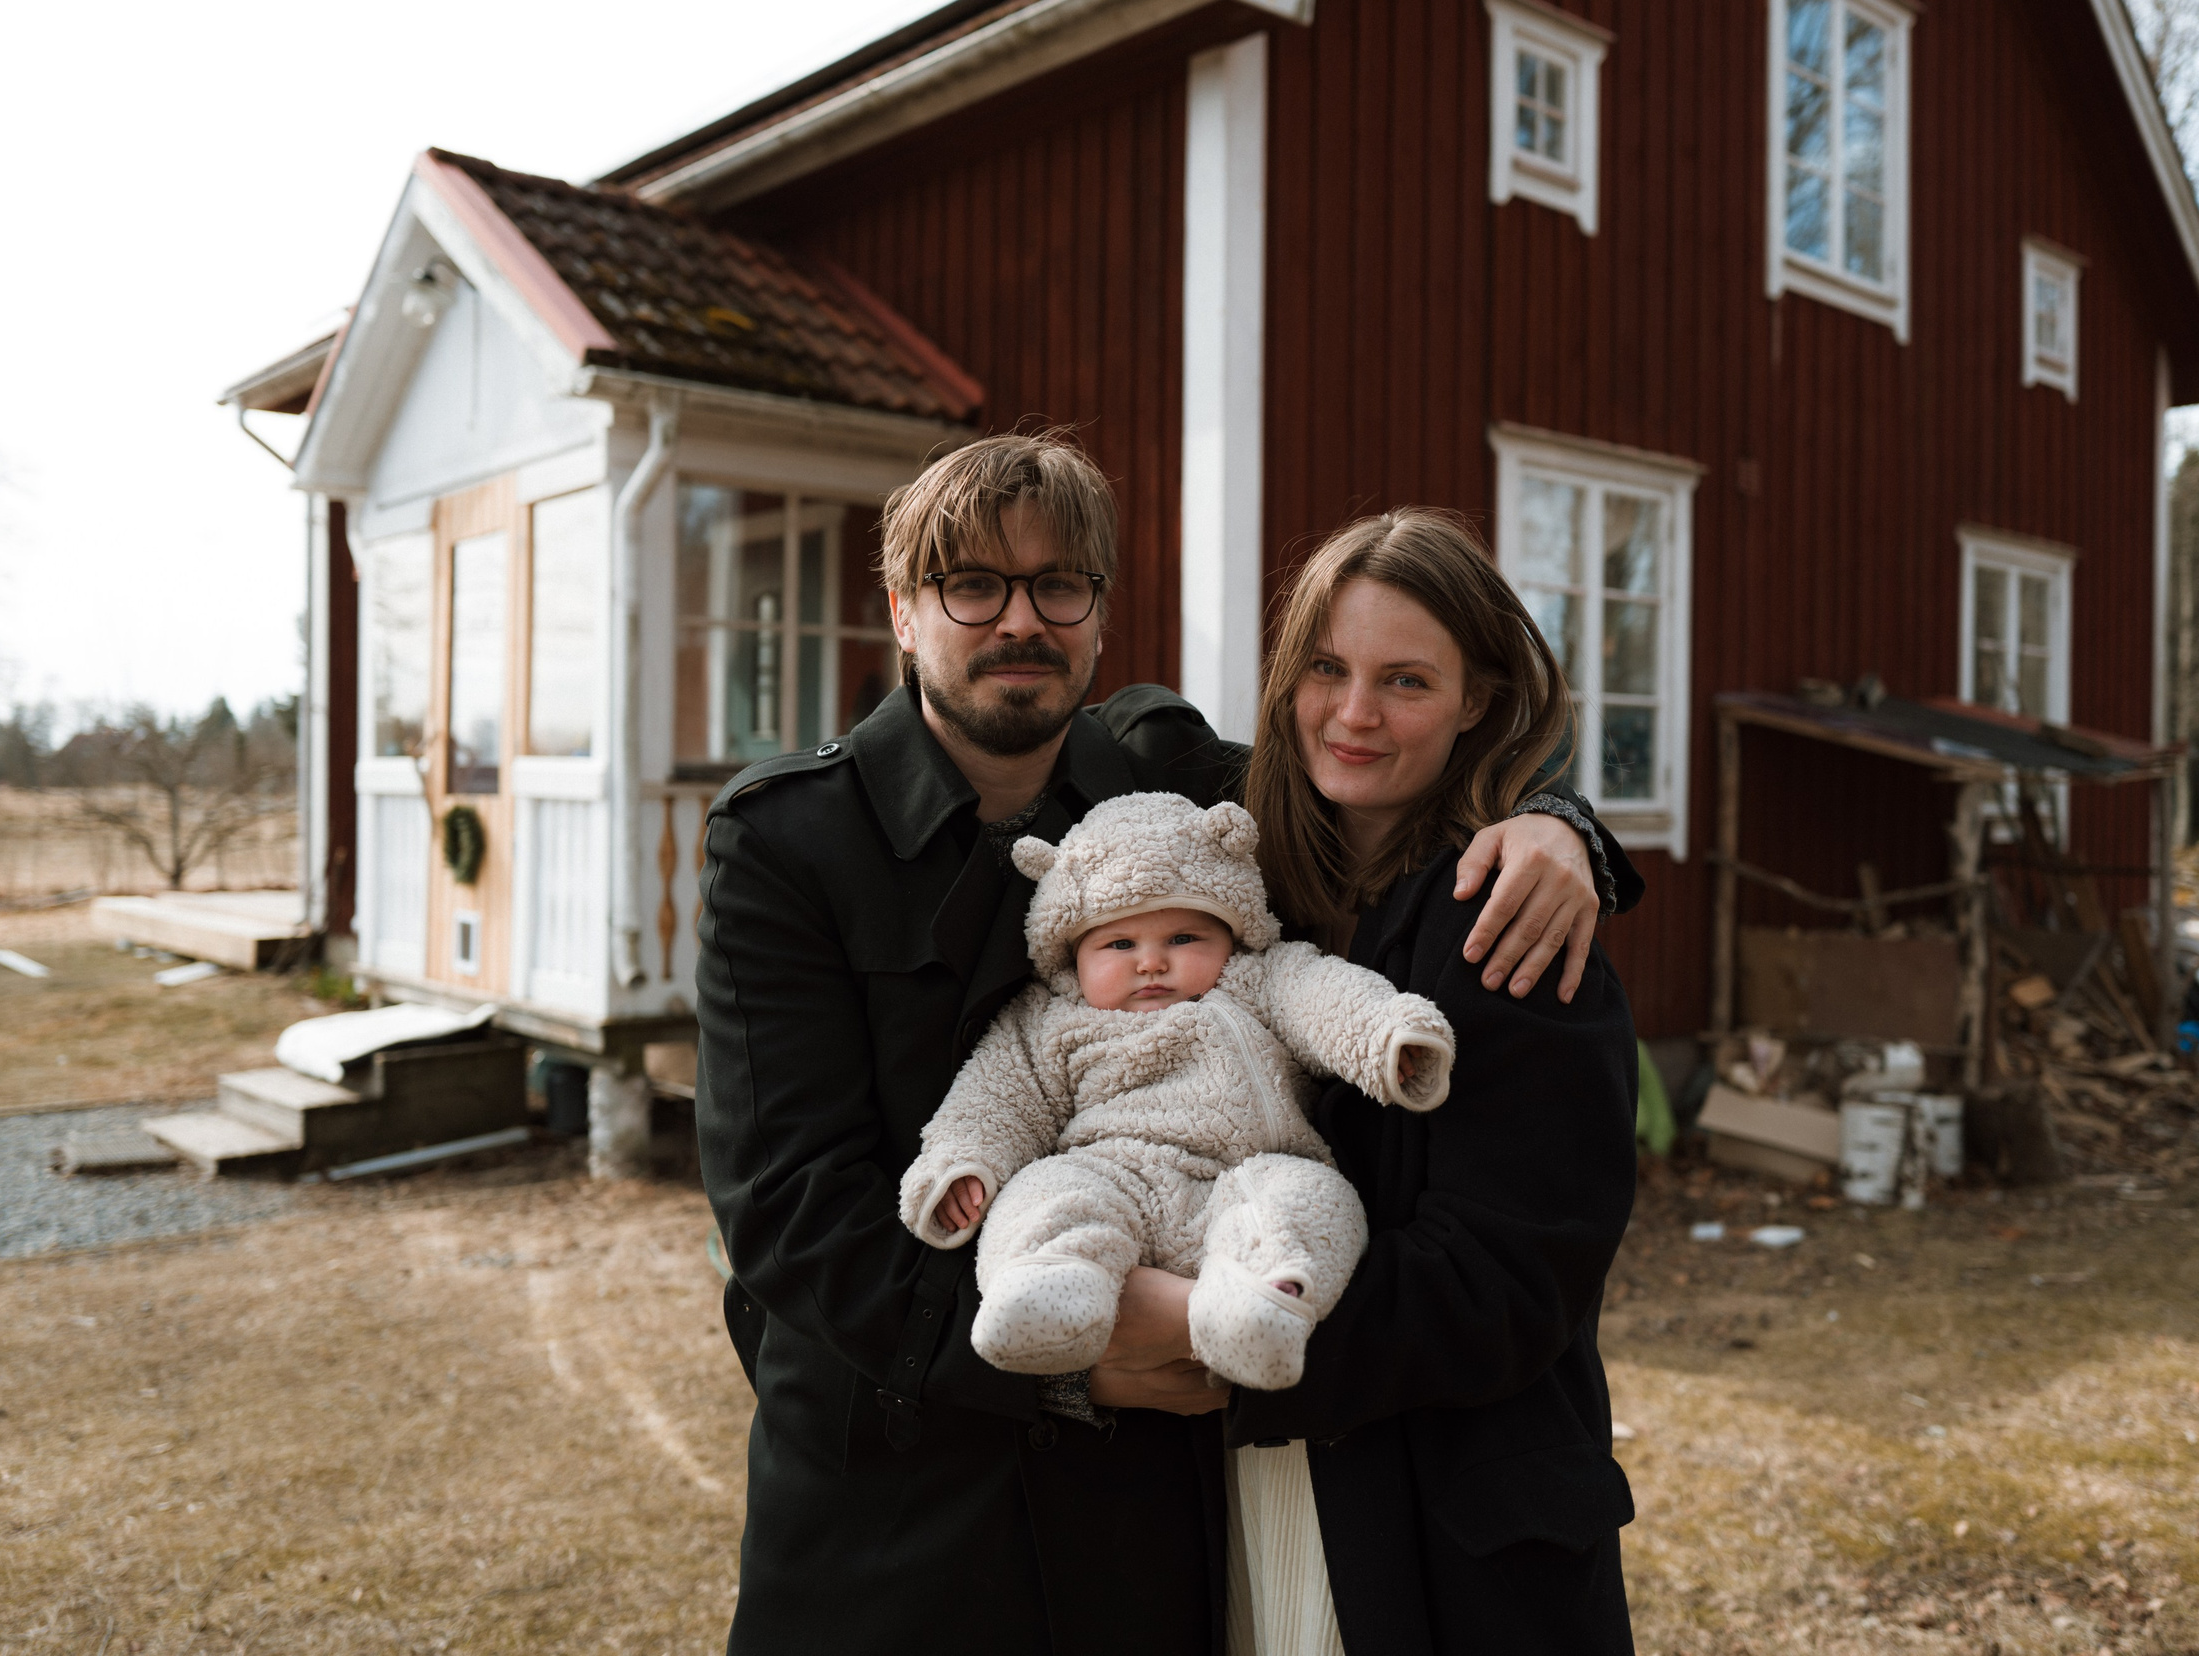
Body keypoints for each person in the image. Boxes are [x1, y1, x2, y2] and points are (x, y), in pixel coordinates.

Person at [694, 436, 1635, 1655]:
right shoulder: (788, 843)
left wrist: (1557, 824)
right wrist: (1070, 1353)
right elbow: (788, 1208)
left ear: (1099, 609)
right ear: (901, 610)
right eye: (970, 586)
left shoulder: (1163, 778)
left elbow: (1383, 763)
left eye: (1058, 585)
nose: (1019, 621)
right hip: (898, 1493)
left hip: (1139, 1512)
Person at [1189, 510, 1639, 1654]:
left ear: (1478, 700)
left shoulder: (1508, 923)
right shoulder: (1247, 895)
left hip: (1453, 1544)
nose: (1352, 714)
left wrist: (1222, 1335)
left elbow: (1505, 1284)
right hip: (1269, 1493)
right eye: (1325, 669)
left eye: (1405, 681)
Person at [898, 790, 1455, 1393]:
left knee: (1315, 1199)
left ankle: (1261, 1301)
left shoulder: (1259, 978)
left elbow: (1327, 999)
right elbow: (996, 1100)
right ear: (1071, 952)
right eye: (1120, 944)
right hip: (1112, 1175)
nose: (1152, 963)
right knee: (1045, 1192)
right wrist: (961, 1165)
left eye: (1184, 938)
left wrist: (1385, 1036)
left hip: (1250, 1174)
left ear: (1232, 932)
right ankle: (1049, 1283)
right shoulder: (1049, 1019)